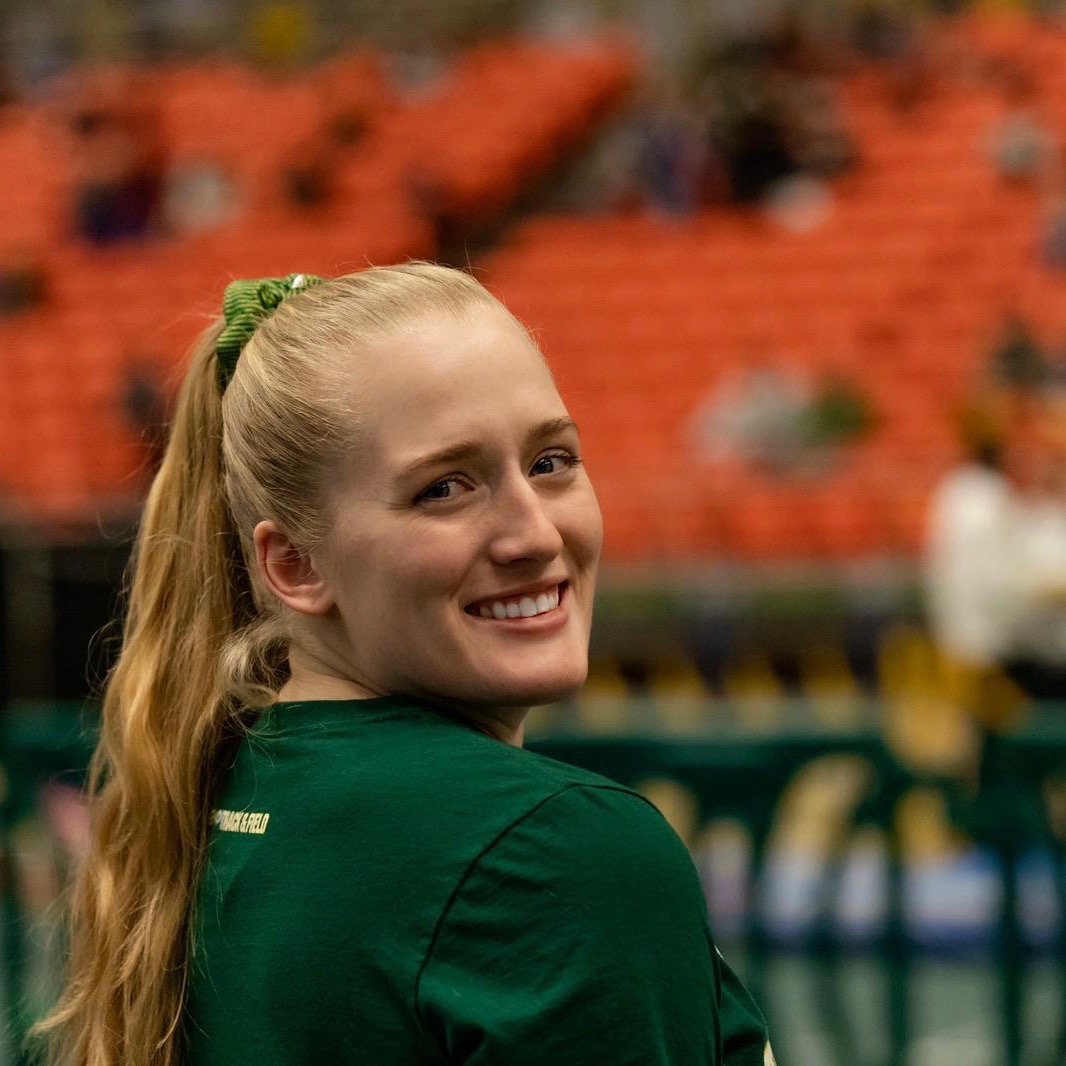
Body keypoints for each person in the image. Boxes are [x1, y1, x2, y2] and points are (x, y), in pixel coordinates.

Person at [33, 264, 773, 1065]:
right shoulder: (550, 849)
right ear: (296, 566)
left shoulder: (206, 788)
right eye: (443, 489)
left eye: (551, 462)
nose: (534, 534)